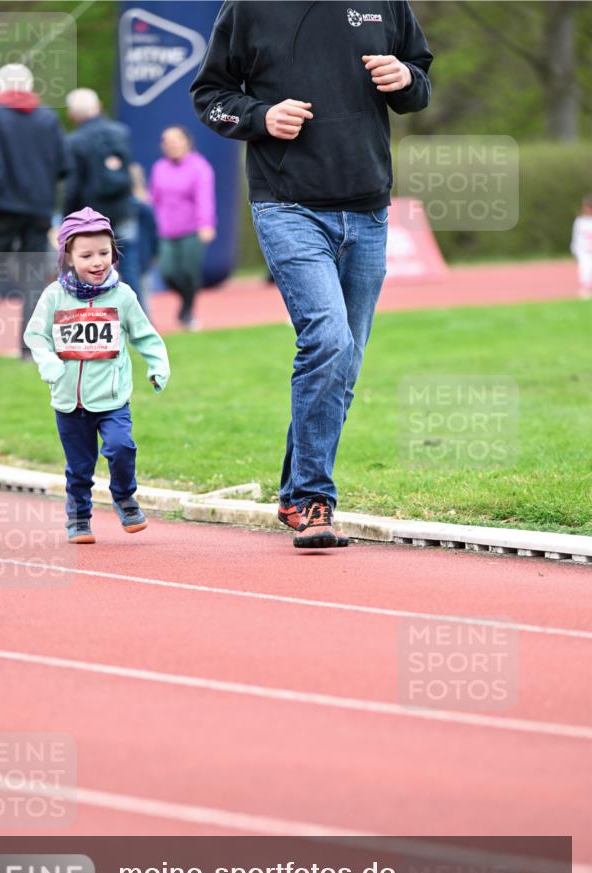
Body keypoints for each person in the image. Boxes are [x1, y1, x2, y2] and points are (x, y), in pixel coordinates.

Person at [191, 1, 432, 548]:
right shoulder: (249, 8)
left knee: (343, 363)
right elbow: (210, 97)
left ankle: (292, 491)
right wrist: (261, 117)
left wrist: (405, 78)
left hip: (369, 208)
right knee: (327, 338)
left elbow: (419, 86)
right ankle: (312, 499)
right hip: (288, 204)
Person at [23, 207, 170, 544]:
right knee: (79, 467)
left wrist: (158, 366)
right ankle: (79, 517)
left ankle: (124, 495)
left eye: (104, 253)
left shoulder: (123, 296)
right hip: (68, 400)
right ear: (68, 257)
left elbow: (145, 336)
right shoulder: (54, 296)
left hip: (112, 397)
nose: (97, 261)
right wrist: (49, 365)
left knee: (121, 447)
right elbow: (35, 336)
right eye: (86, 255)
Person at [0, 63, 69, 364]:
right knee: (34, 279)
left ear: (0, 87)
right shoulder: (48, 117)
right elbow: (63, 164)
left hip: (0, 206)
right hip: (37, 207)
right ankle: (28, 351)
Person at [63, 88, 142, 301]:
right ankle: (140, 317)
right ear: (98, 106)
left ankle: (97, 316)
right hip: (123, 208)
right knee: (131, 266)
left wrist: (67, 218)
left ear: (73, 115)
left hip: (91, 217)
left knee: (90, 268)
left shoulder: (74, 141)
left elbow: (73, 185)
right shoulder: (121, 132)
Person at [149, 126, 216, 330]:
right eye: (167, 142)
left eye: (176, 140)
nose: (171, 145)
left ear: (187, 141)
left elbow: (204, 198)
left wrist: (207, 224)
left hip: (192, 229)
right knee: (167, 272)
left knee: (189, 273)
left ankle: (186, 313)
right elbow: (154, 197)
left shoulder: (199, 167)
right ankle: (185, 303)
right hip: (165, 230)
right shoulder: (159, 167)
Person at [129, 162, 159, 316]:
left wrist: (154, 252)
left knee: (142, 293)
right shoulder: (144, 207)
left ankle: (145, 322)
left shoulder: (143, 209)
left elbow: (153, 234)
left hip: (142, 257)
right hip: (141, 257)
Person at [570, 194, 592, 300]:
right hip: (583, 250)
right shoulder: (580, 221)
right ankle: (585, 289)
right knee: (585, 269)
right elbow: (576, 236)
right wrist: (574, 249)